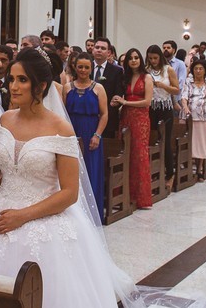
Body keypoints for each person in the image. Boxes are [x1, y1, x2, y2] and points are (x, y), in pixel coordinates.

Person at [0, 47, 206, 308]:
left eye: (22, 80)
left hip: (42, 219)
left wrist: (23, 215)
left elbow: (69, 193)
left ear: (40, 86)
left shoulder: (61, 129)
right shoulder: (5, 120)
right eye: (12, 79)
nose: (13, 86)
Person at [64, 51, 108, 216]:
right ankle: (74, 212)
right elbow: (63, 113)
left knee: (90, 171)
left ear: (91, 69)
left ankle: (92, 212)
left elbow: (104, 114)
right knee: (72, 171)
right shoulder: (67, 88)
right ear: (75, 67)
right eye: (80, 67)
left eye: (86, 67)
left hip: (91, 132)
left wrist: (97, 135)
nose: (83, 70)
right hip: (72, 132)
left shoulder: (99, 88)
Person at [113, 48, 154, 209]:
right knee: (125, 153)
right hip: (126, 117)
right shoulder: (126, 77)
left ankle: (141, 198)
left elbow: (147, 101)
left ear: (141, 60)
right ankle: (124, 194)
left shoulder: (147, 77)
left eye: (137, 57)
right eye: (131, 58)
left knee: (139, 154)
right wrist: (119, 102)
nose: (134, 60)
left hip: (141, 119)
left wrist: (126, 103)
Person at [145, 45, 180, 190]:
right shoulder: (146, 70)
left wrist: (163, 86)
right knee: (152, 140)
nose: (153, 61)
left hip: (165, 108)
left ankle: (170, 173)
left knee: (164, 141)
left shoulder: (168, 69)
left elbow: (177, 89)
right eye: (150, 58)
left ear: (160, 57)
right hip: (151, 108)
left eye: (155, 58)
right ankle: (154, 171)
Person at [179, 59, 206, 179]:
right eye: (196, 68)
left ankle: (199, 169)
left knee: (202, 144)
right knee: (192, 143)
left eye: (200, 68)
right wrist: (185, 107)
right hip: (191, 117)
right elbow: (184, 97)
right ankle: (190, 168)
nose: (198, 71)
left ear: (205, 70)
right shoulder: (188, 81)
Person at [91, 37, 126, 138]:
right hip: (87, 115)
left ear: (109, 53)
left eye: (103, 48)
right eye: (97, 47)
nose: (99, 50)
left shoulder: (116, 71)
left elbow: (118, 94)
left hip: (107, 117)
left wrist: (105, 111)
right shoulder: (85, 67)